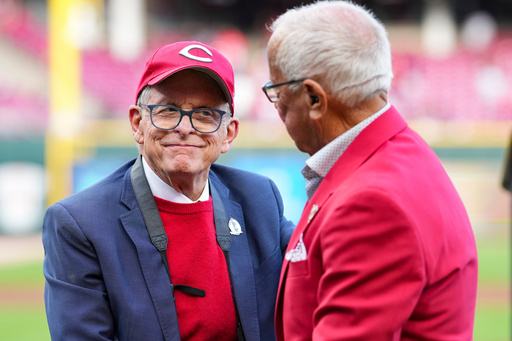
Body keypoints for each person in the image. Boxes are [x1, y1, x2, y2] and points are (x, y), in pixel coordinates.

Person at [43, 41, 295, 341]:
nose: (185, 127)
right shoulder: (80, 223)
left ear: (228, 134)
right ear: (138, 123)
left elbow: (325, 268)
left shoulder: (259, 197)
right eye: (167, 110)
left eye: (205, 114)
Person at [262, 2, 478, 340]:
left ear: (314, 99)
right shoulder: (397, 156)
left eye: (276, 92)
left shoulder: (371, 202)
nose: (276, 107)